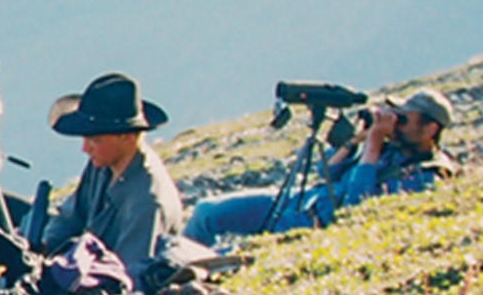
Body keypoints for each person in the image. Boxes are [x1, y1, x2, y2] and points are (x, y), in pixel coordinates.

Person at [182, 87, 459, 246]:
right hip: (301, 199)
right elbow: (328, 169)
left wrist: (373, 145)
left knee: (216, 258)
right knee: (206, 211)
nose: (396, 125)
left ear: (430, 129)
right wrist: (360, 138)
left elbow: (356, 207)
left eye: (404, 119)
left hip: (311, 221)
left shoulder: (425, 176)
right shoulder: (391, 147)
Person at [39, 72, 183, 274]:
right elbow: (70, 218)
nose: (85, 148)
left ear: (127, 137)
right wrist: (42, 248)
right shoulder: (102, 165)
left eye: (94, 140)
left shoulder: (147, 202)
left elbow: (127, 274)